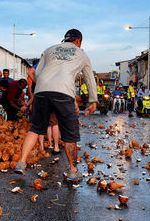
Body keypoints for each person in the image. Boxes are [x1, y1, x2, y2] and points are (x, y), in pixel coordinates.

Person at [15, 28, 97, 181]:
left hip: (41, 91)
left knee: (35, 129)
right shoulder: (82, 54)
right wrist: (93, 101)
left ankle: (21, 162)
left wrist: (44, 89)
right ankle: (72, 171)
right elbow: (89, 79)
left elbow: (37, 73)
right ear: (78, 41)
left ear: (65, 39)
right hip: (64, 92)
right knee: (70, 136)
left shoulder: (49, 50)